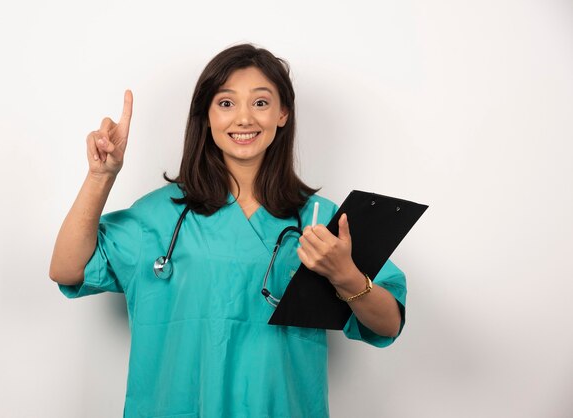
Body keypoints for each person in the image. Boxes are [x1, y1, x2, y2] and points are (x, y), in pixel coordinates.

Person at [49, 43, 406, 418]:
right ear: (206, 115)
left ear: (283, 113)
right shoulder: (158, 216)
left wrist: (345, 275)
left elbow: (389, 323)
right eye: (226, 103)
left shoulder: (320, 221)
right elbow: (66, 269)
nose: (244, 119)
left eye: (261, 103)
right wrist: (100, 176)